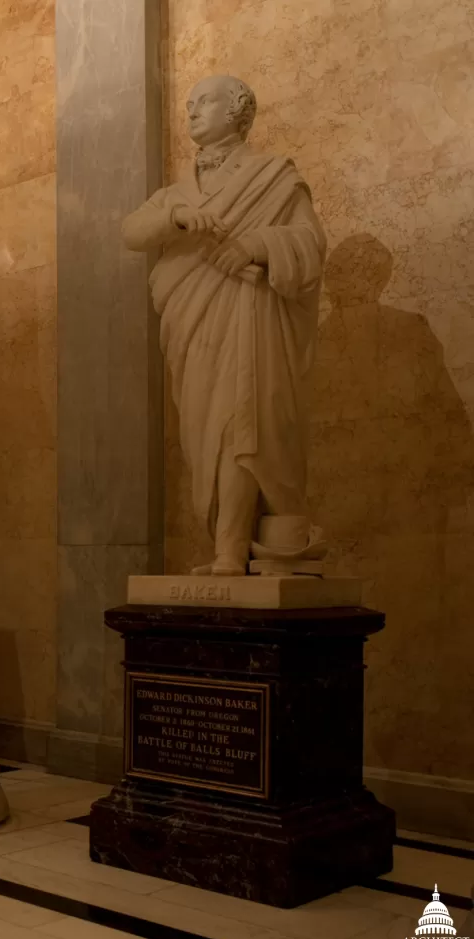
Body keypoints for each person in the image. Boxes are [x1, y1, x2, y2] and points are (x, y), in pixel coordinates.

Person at [123, 76, 328, 575]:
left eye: (205, 101)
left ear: (238, 110)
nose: (191, 110)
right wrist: (176, 216)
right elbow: (131, 231)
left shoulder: (275, 177)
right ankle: (223, 543)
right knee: (202, 434)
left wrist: (255, 246)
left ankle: (230, 553)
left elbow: (310, 242)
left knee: (242, 425)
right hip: (194, 328)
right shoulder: (174, 193)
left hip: (250, 313)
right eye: (188, 104)